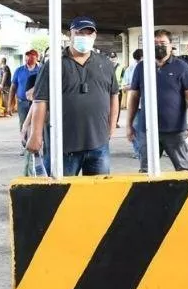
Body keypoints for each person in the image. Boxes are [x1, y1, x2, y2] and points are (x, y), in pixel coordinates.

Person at [27, 16, 120, 176]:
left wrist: (111, 128)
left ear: (94, 36)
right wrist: (35, 135)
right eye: (79, 33)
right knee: (59, 195)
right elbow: (40, 101)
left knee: (100, 195)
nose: (84, 37)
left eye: (88, 33)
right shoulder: (53, 65)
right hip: (64, 146)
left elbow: (114, 96)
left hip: (98, 145)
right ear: (70, 34)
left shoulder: (105, 63)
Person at [126, 29, 188, 172]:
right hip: (147, 130)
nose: (158, 46)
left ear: (170, 45)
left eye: (162, 43)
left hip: (175, 131)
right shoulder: (142, 67)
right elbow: (134, 98)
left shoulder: (182, 67)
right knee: (146, 173)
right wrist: (129, 125)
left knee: (183, 172)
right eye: (155, 43)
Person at [11, 50, 41, 156]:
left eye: (31, 57)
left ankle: (36, 147)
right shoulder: (19, 71)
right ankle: (25, 146)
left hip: (37, 103)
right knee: (24, 124)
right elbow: (13, 86)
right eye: (27, 57)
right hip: (22, 102)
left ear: (37, 58)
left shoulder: (41, 70)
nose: (29, 59)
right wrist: (10, 103)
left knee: (36, 124)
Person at [122, 49, 143, 158]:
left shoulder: (152, 67)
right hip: (135, 105)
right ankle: (138, 151)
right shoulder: (130, 70)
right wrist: (136, 85)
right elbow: (124, 87)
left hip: (150, 105)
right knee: (135, 128)